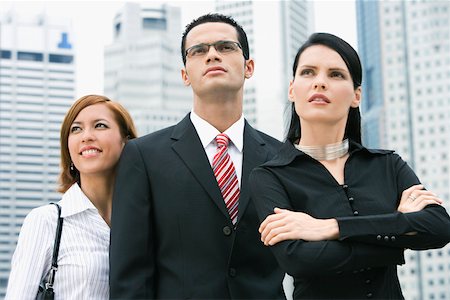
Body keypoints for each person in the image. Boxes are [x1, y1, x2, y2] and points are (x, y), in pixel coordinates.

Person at [249, 32, 450, 299]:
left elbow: (438, 227)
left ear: (356, 95)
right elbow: (298, 259)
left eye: (335, 74)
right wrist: (397, 232)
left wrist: (328, 227)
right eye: (308, 72)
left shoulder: (387, 164)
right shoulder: (270, 176)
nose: (320, 82)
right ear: (292, 90)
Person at [109, 13, 285, 299]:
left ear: (248, 66)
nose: (212, 55)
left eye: (226, 47)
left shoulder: (281, 158)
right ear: (184, 75)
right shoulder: (143, 156)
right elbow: (130, 276)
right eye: (199, 51)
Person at [5, 95, 137, 299]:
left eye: (100, 125)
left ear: (126, 141)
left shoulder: (144, 220)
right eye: (76, 129)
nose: (86, 136)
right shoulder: (46, 221)